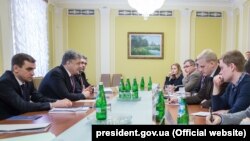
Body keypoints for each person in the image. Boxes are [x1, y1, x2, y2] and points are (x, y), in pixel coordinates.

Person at [0, 53, 72, 120]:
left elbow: (39, 98)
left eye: (33, 69)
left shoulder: (27, 80)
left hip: (22, 119)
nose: (32, 73)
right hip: (5, 122)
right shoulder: (4, 82)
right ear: (16, 68)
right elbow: (23, 106)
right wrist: (52, 105)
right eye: (29, 69)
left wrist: (59, 102)